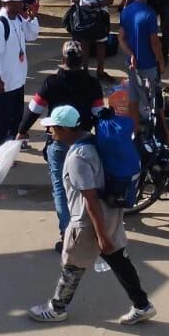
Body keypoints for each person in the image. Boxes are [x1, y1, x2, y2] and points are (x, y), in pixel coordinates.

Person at [26, 106, 155, 326]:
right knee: (119, 260)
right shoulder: (93, 141)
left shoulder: (78, 157)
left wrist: (101, 235)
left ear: (65, 129)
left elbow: (90, 198)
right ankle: (142, 305)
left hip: (89, 220)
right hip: (111, 212)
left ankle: (57, 308)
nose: (50, 132)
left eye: (53, 128)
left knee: (72, 265)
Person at [21, 42, 107, 242]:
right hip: (84, 143)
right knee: (87, 189)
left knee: (61, 189)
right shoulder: (92, 83)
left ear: (63, 60)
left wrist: (22, 130)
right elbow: (98, 114)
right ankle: (89, 228)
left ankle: (67, 233)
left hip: (58, 143)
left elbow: (34, 109)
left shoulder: (51, 83)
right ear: (82, 60)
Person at [0, 0, 42, 152]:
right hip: (5, 82)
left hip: (18, 79)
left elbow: (32, 36)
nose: (22, 4)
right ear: (7, 3)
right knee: (1, 120)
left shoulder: (17, 19)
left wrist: (32, 18)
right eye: (18, 1)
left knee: (16, 117)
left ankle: (12, 146)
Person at [119, 0, 165, 139]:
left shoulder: (126, 11)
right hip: (149, 64)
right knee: (156, 100)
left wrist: (131, 55)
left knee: (133, 98)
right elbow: (154, 43)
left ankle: (135, 131)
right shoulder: (150, 14)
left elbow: (121, 38)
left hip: (132, 65)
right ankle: (164, 134)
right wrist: (161, 61)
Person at [69, 0, 120, 79]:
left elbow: (110, 0)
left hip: (100, 15)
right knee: (85, 43)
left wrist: (93, 5)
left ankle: (100, 71)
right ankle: (85, 70)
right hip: (85, 15)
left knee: (101, 43)